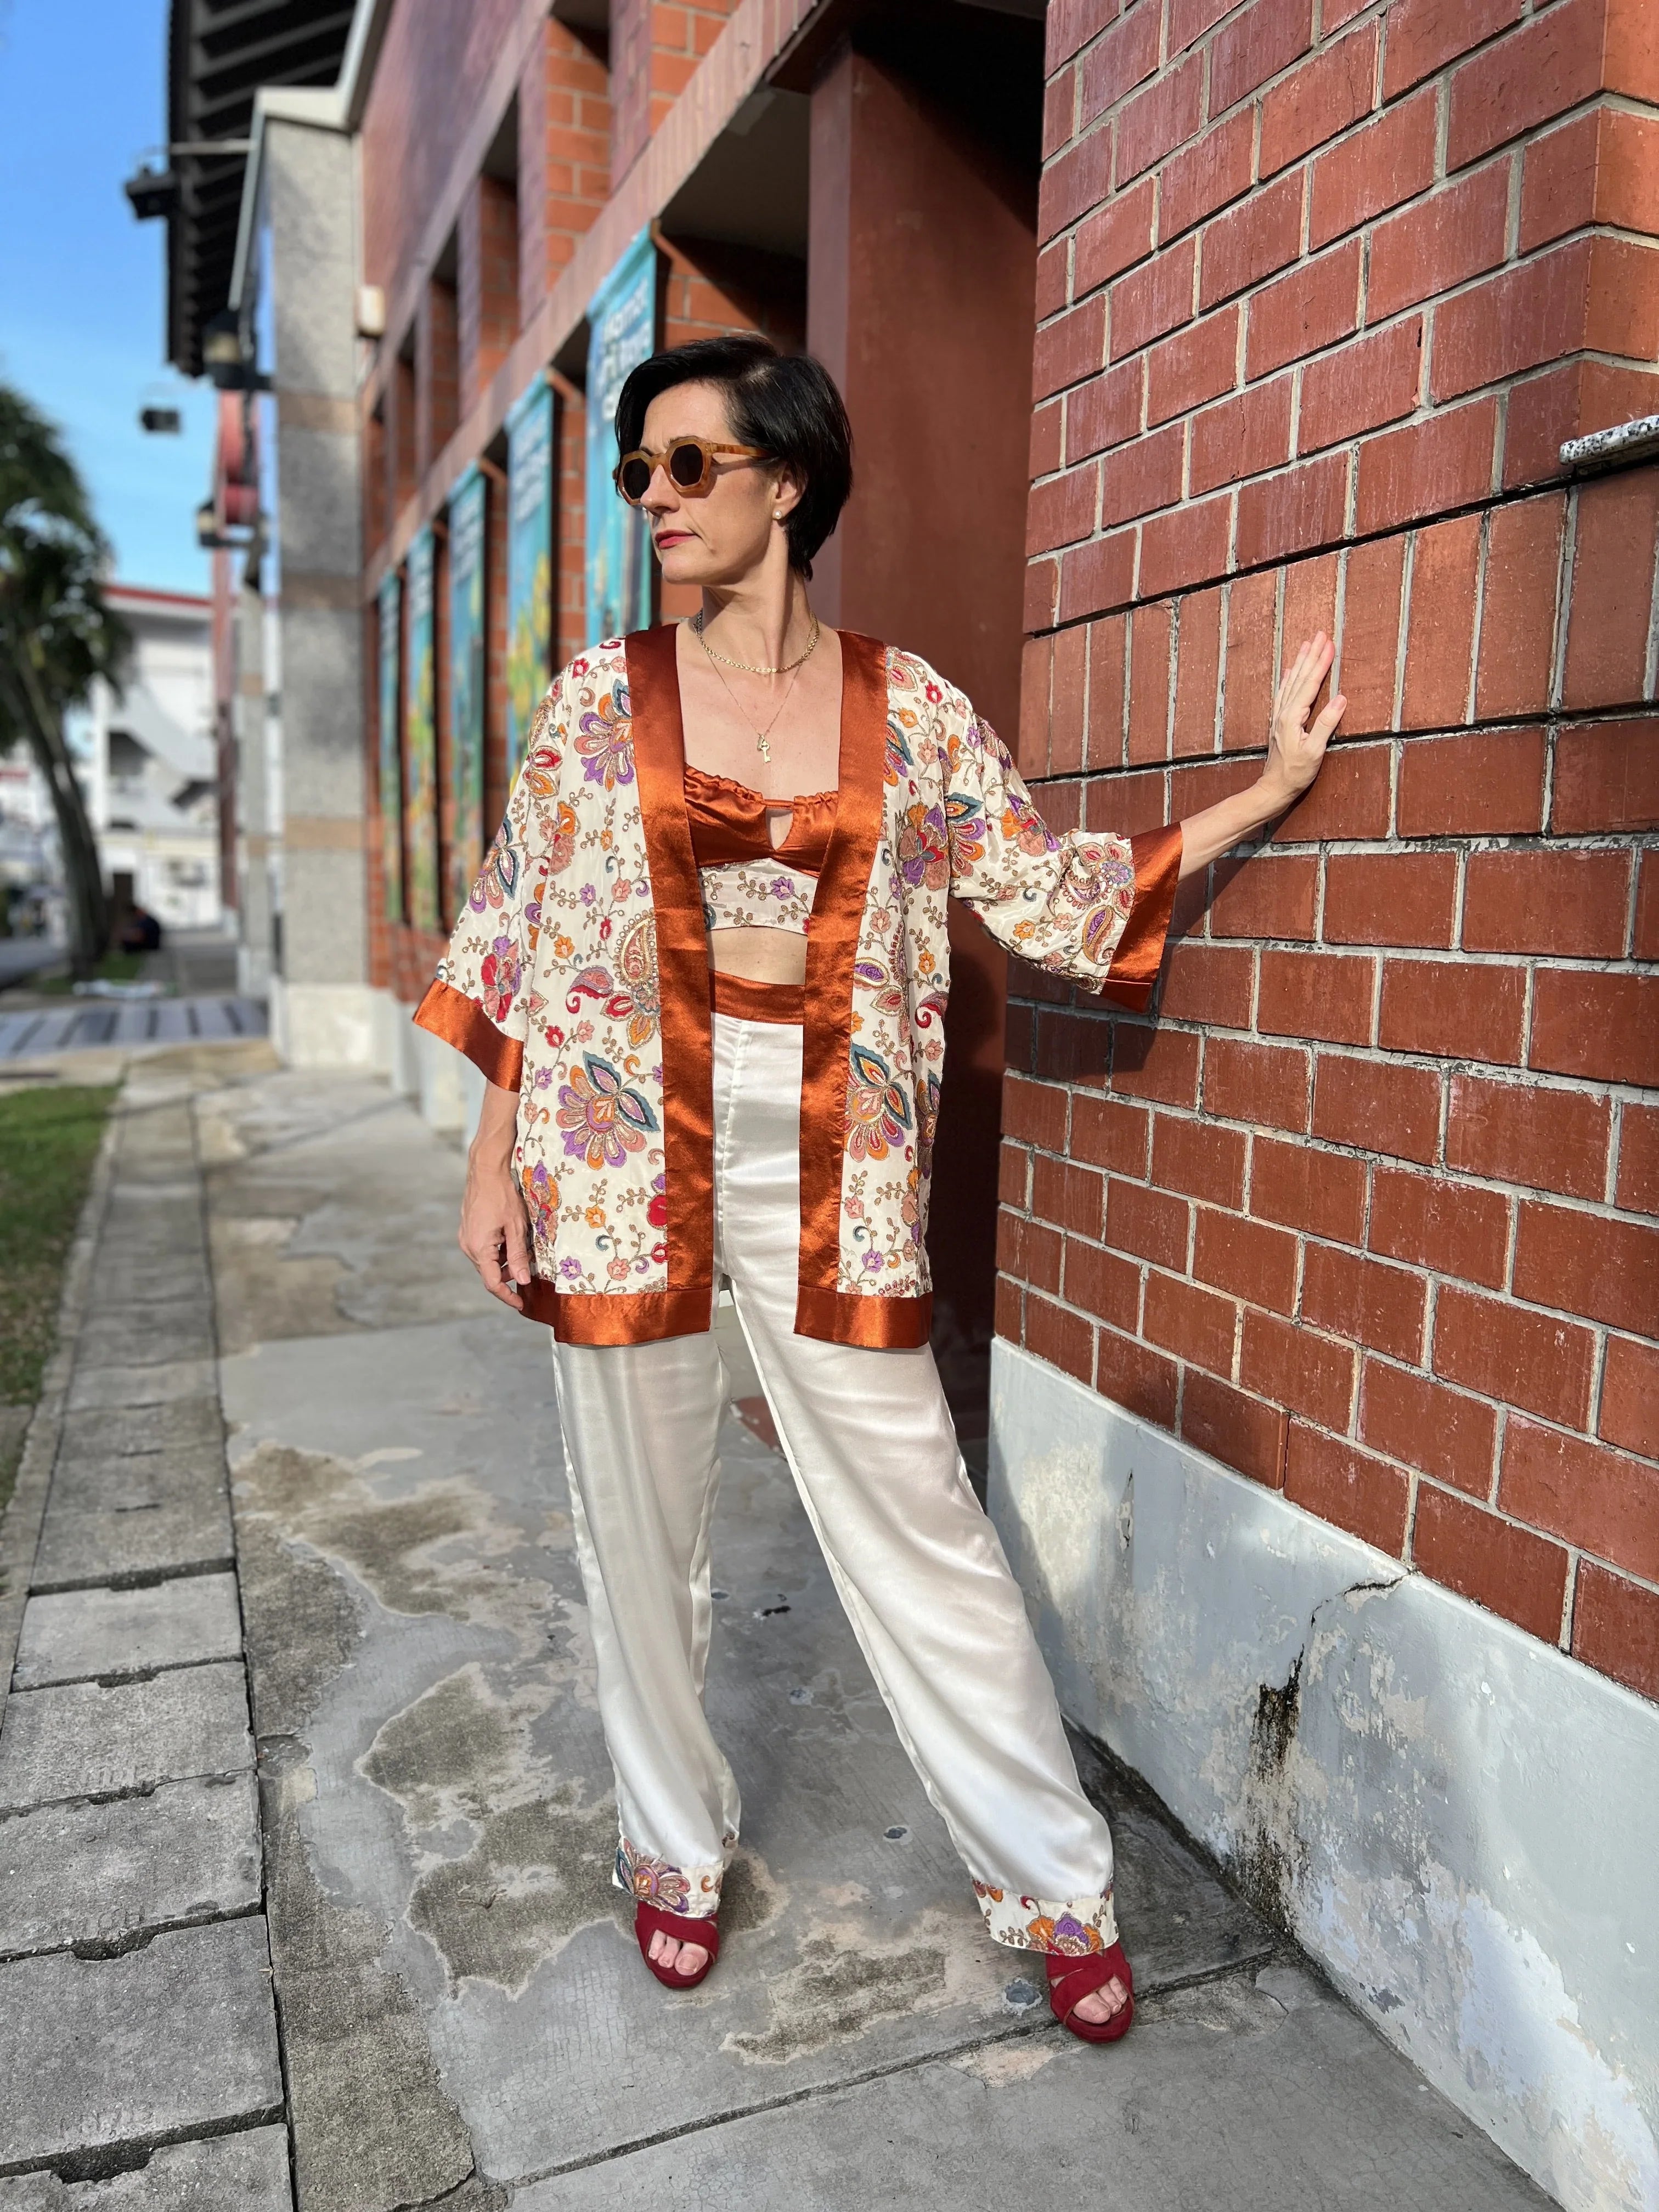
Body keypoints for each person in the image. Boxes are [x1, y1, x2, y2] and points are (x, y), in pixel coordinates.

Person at [415, 334, 1343, 2042]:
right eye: (640, 471)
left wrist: (1264, 794)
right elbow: (519, 933)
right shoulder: (595, 704)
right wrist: (496, 1159)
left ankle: (1057, 1883)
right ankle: (673, 1850)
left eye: (691, 464)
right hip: (619, 1162)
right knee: (638, 1538)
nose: (657, 499)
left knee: (924, 1529)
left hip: (832, 1173)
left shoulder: (904, 709)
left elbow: (1052, 895)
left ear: (789, 480)